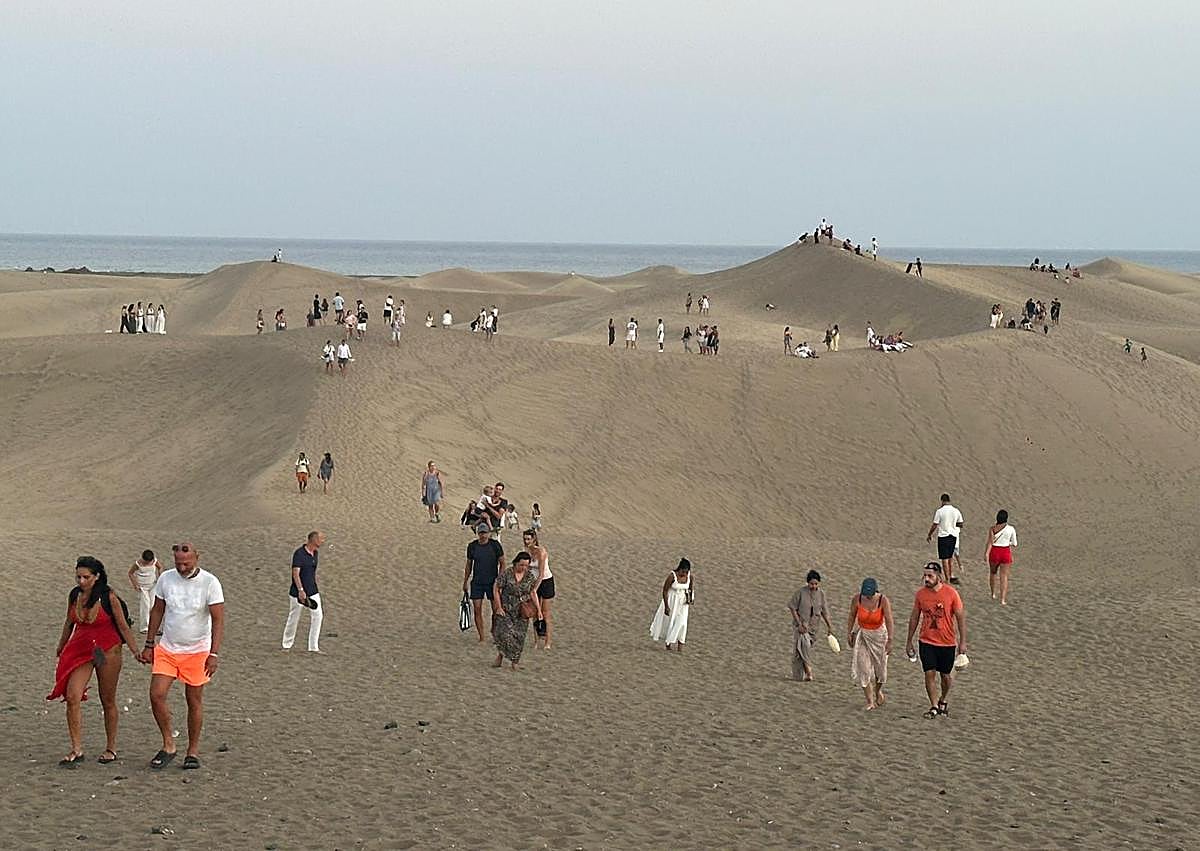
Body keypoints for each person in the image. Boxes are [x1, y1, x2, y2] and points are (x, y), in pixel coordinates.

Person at [139, 541, 225, 769]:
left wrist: (214, 653)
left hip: (197, 650)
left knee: (193, 700)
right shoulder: (166, 578)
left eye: (186, 563)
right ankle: (169, 744)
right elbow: (157, 610)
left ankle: (192, 751)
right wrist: (149, 644)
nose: (182, 567)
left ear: (197, 557)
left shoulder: (210, 582)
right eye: (178, 563)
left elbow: (218, 619)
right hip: (168, 648)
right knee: (156, 694)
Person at [49, 556, 142, 766]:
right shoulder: (75, 595)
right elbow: (68, 622)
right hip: (82, 649)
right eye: (78, 576)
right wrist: (61, 645)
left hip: (107, 650)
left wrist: (136, 651)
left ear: (96, 576)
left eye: (86, 577)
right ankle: (77, 749)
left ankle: (111, 748)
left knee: (107, 699)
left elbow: (123, 625)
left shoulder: (108, 597)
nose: (81, 581)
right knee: (73, 696)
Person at [904, 562, 966, 719]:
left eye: (930, 576)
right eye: (925, 575)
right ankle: (933, 706)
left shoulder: (951, 594)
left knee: (945, 676)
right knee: (929, 673)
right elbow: (914, 617)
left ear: (939, 576)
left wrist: (963, 642)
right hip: (926, 641)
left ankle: (943, 700)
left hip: (947, 642)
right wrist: (909, 640)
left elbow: (960, 618)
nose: (926, 579)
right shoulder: (920, 594)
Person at [846, 578, 893, 710]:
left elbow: (889, 620)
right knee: (864, 668)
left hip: (879, 636)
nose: (867, 596)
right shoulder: (857, 599)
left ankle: (878, 691)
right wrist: (849, 633)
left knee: (881, 670)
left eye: (870, 593)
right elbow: (851, 616)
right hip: (863, 635)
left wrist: (890, 640)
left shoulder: (883, 600)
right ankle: (870, 701)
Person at [492, 551, 540, 670]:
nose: (523, 568)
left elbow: (532, 592)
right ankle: (501, 654)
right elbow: (496, 588)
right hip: (506, 608)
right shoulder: (507, 573)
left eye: (526, 565)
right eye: (521, 565)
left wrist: (538, 610)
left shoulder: (529, 576)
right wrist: (498, 606)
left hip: (522, 610)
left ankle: (514, 662)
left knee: (519, 636)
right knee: (504, 633)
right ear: (516, 563)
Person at [283, 531, 326, 653]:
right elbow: (295, 573)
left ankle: (313, 647)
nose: (322, 541)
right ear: (313, 539)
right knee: (294, 617)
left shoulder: (315, 553)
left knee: (318, 616)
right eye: (321, 538)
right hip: (298, 591)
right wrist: (300, 590)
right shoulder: (299, 554)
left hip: (313, 590)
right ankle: (287, 644)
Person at [464, 523, 505, 642]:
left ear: (489, 533)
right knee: (477, 609)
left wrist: (500, 580)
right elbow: (468, 565)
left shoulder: (495, 545)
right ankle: (481, 636)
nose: (483, 535)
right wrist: (465, 581)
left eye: (485, 533)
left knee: (496, 609)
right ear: (478, 533)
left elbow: (502, 562)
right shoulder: (472, 546)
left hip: (493, 582)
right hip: (477, 582)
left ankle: (493, 630)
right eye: (481, 533)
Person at [788, 570, 833, 681]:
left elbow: (824, 611)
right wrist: (799, 623)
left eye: (816, 584)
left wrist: (829, 626)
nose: (813, 586)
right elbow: (792, 607)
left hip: (814, 628)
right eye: (811, 584)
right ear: (807, 583)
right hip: (801, 627)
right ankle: (809, 672)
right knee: (804, 646)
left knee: (801, 651)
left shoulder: (821, 594)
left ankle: (799, 676)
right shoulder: (800, 593)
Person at [650, 558, 693, 651]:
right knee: (671, 622)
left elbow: (690, 588)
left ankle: (680, 647)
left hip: (683, 604)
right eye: (683, 571)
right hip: (672, 601)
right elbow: (665, 590)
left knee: (682, 623)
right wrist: (666, 606)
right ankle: (668, 645)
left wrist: (691, 598)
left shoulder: (689, 576)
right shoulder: (672, 576)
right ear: (680, 569)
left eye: (686, 572)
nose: (684, 574)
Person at [523, 529, 554, 650]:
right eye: (525, 539)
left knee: (545, 612)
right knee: (534, 612)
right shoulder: (528, 551)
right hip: (534, 582)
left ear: (534, 539)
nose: (526, 541)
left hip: (545, 582)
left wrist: (535, 589)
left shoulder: (541, 552)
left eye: (528, 539)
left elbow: (541, 573)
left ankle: (548, 642)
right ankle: (536, 641)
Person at [926, 493, 964, 584]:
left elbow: (935, 524)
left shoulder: (940, 511)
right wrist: (953, 526)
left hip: (943, 536)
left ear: (942, 501)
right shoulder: (956, 511)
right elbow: (961, 524)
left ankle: (947, 579)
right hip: (953, 536)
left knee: (944, 558)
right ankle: (951, 575)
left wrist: (929, 534)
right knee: (950, 557)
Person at [985, 509, 1018, 604]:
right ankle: (1003, 599)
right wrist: (1007, 542)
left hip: (994, 552)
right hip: (1005, 552)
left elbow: (990, 542)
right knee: (1004, 576)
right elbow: (1015, 543)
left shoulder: (992, 528)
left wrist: (986, 553)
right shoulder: (1011, 529)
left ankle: (993, 593)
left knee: (993, 573)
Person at [127, 549, 164, 633]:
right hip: (142, 587)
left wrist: (160, 577)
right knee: (145, 606)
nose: (147, 563)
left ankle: (154, 626)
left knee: (153, 605)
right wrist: (135, 584)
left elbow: (160, 567)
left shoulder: (154, 561)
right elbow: (130, 573)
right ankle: (144, 627)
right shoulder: (138, 564)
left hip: (153, 585)